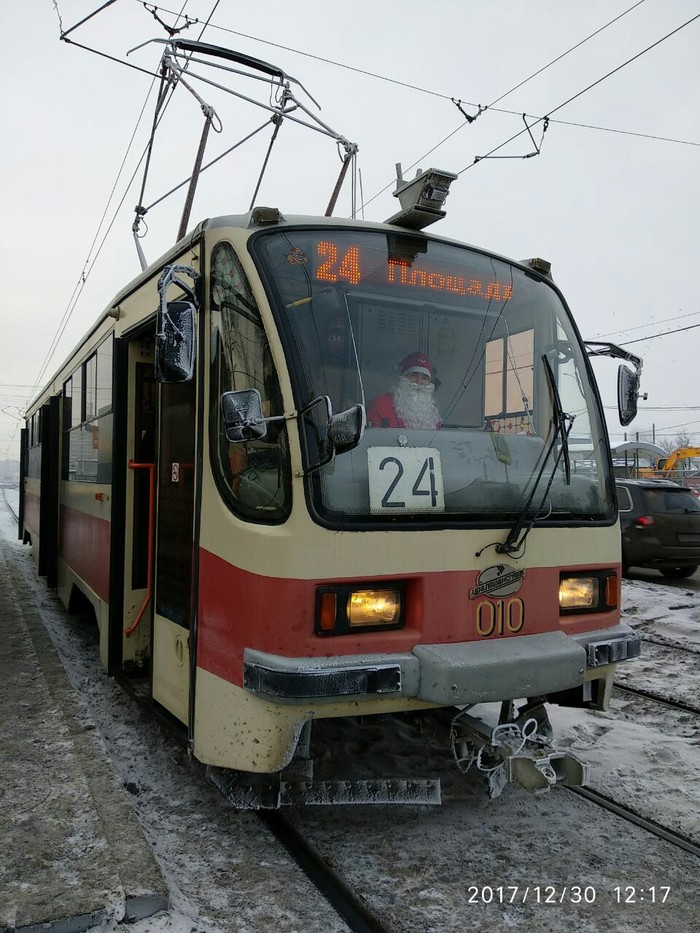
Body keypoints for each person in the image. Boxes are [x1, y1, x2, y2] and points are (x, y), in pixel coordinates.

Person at [367, 351, 442, 429]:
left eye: (424, 378)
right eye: (413, 375)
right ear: (403, 379)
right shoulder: (381, 404)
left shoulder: (432, 415)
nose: (419, 382)